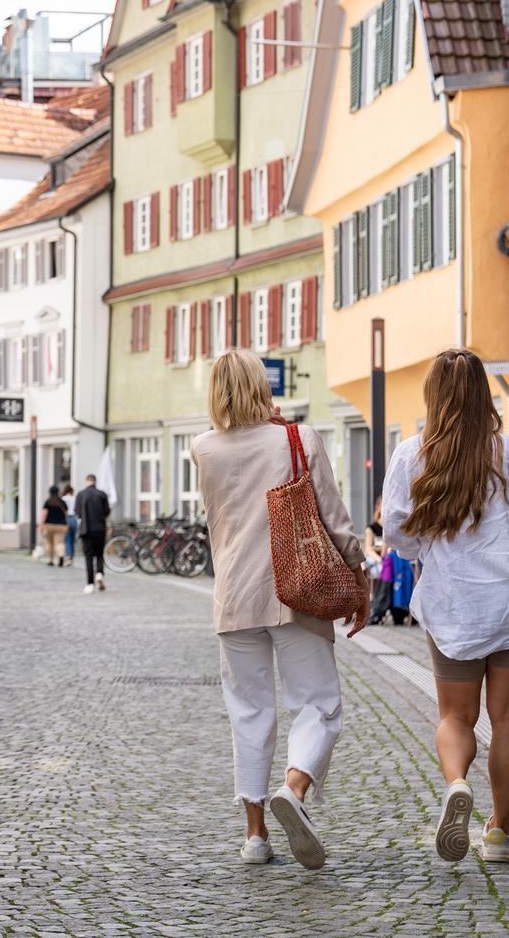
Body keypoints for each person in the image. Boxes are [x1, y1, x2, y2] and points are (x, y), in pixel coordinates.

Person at [191, 350, 366, 870]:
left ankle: (255, 835)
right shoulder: (299, 439)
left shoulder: (202, 449)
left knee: (248, 714)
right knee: (317, 705)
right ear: (261, 386)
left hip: (234, 598)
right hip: (296, 591)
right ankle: (295, 787)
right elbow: (333, 517)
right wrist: (358, 572)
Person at [381, 348, 509, 865]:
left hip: (454, 602)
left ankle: (457, 783)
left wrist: (425, 550)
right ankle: (499, 832)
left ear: (433, 395)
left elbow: (395, 530)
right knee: (506, 718)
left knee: (455, 716)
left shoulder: (413, 454)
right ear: (482, 395)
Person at [74, 475, 110, 593]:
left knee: (88, 557)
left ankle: (90, 583)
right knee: (99, 553)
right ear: (95, 481)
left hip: (86, 529)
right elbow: (107, 511)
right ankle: (99, 573)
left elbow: (77, 512)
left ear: (86, 481)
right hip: (100, 529)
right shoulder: (102, 494)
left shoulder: (81, 495)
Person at [40, 487, 69, 568]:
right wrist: (66, 523)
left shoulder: (48, 502)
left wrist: (41, 525)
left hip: (49, 525)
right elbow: (66, 514)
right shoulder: (62, 502)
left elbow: (44, 514)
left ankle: (50, 560)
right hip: (61, 525)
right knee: (60, 542)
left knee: (49, 543)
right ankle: (61, 557)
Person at [62, 484, 78, 565]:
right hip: (74, 519)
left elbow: (62, 510)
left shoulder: (63, 499)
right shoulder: (75, 498)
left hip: (67, 518)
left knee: (67, 539)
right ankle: (72, 556)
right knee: (72, 539)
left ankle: (68, 556)